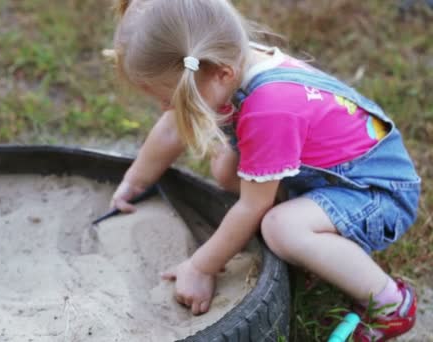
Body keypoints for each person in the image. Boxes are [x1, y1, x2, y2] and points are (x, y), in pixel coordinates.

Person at [106, 0, 421, 340]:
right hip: (327, 174)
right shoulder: (226, 58)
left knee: (279, 227)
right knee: (226, 168)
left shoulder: (269, 109)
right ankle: (314, 245)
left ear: (222, 74)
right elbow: (172, 128)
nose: (166, 108)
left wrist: (201, 266)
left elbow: (252, 205)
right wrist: (133, 181)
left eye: (171, 98)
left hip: (375, 194)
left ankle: (390, 303)